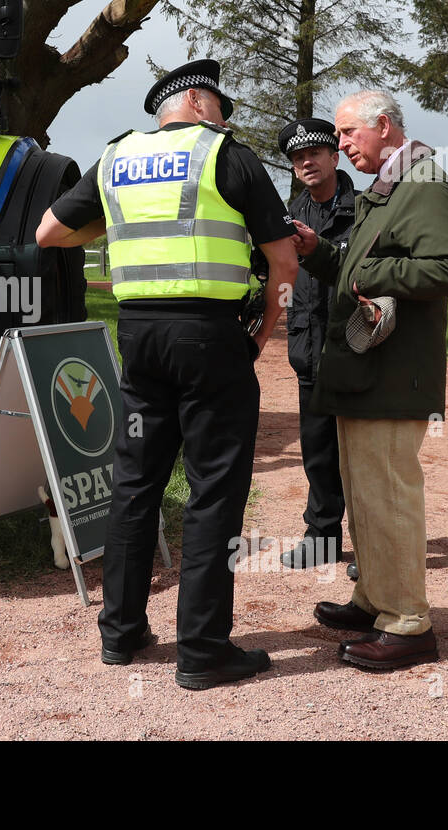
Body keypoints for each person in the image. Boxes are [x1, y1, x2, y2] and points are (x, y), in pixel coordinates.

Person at [36, 59, 298, 691]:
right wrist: (263, 331)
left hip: (139, 338)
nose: (226, 118)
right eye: (222, 108)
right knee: (213, 491)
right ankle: (203, 650)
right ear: (204, 105)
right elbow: (283, 260)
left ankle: (120, 634)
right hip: (209, 337)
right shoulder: (228, 156)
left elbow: (50, 232)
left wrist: (118, 221)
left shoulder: (117, 157)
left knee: (135, 482)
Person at [290, 89, 448, 671]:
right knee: (364, 491)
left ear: (384, 126)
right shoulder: (387, 189)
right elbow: (357, 265)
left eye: (348, 134)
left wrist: (369, 270)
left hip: (394, 374)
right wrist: (320, 252)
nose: (340, 146)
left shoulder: (422, 183)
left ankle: (407, 625)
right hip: (366, 370)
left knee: (389, 495)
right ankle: (374, 599)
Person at [275, 118, 355, 573]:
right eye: (297, 157)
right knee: (318, 451)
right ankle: (322, 538)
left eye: (315, 154)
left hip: (355, 348)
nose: (306, 162)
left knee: (363, 455)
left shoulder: (363, 209)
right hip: (309, 349)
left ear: (334, 157)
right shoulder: (287, 215)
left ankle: (372, 545)